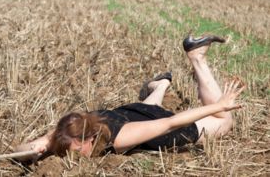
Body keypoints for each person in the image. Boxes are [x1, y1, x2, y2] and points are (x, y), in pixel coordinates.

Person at [14, 35, 245, 160]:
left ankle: (197, 58)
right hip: (134, 112)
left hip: (159, 129)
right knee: (147, 107)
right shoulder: (69, 129)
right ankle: (161, 83)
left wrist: (221, 104)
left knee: (224, 120)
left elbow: (171, 122)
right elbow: (20, 150)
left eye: (77, 152)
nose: (73, 157)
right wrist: (33, 148)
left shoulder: (121, 137)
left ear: (91, 137)